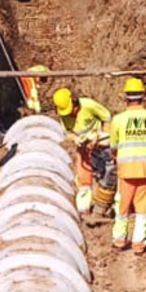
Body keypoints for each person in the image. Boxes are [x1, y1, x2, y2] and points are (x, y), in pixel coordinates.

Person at [110, 78, 146, 254]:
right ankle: (139, 244)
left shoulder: (118, 120)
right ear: (143, 97)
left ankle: (120, 240)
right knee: (142, 208)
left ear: (126, 97)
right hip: (145, 169)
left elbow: (114, 146)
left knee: (122, 206)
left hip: (126, 171)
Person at [54, 87, 113, 217]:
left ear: (75, 102)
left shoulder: (88, 105)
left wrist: (102, 135)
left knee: (105, 176)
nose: (70, 114)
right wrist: (75, 139)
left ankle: (105, 207)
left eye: (72, 111)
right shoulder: (64, 116)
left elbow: (107, 118)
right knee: (83, 178)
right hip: (83, 148)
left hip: (100, 146)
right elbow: (67, 132)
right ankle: (83, 209)